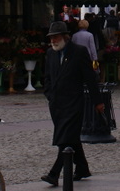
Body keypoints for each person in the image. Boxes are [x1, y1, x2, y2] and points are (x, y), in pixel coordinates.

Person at [42, 21, 104, 186]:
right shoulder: (50, 53)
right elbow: (47, 77)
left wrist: (98, 101)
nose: (53, 41)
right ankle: (82, 168)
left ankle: (54, 173)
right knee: (71, 138)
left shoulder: (79, 52)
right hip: (56, 105)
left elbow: (90, 78)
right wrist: (49, 95)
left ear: (65, 37)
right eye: (51, 38)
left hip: (73, 103)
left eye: (56, 37)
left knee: (65, 139)